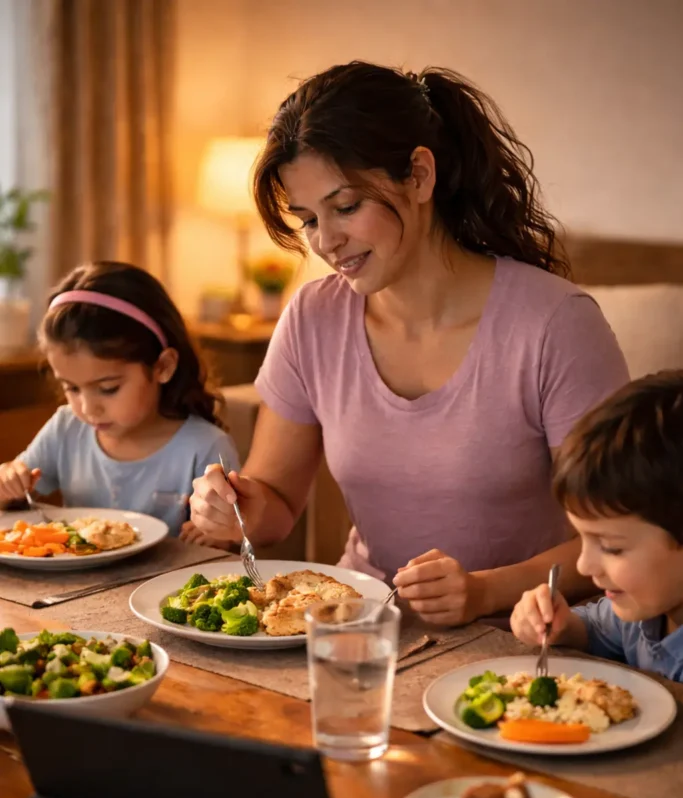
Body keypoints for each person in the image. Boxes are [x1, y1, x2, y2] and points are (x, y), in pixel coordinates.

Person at [189, 60, 628, 624]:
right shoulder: (313, 317)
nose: (327, 241)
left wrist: (483, 591)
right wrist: (234, 507)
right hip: (361, 628)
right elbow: (274, 504)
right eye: (308, 219)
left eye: (346, 207)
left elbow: (624, 535)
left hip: (526, 638)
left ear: (419, 176)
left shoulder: (555, 324)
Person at [0, 261, 239, 536]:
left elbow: (236, 537)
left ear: (163, 366)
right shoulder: (65, 428)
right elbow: (10, 494)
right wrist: (8, 484)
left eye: (108, 388)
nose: (88, 409)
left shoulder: (205, 447)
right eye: (72, 388)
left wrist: (222, 534)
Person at [511, 372, 683, 681]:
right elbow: (594, 629)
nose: (583, 565)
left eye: (611, 547)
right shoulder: (643, 610)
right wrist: (559, 626)